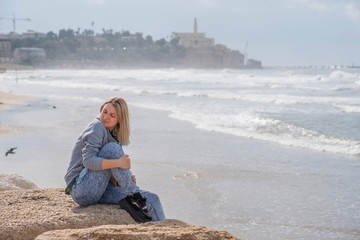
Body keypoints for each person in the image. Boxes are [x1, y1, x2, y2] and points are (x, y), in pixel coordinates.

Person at [64, 97, 165, 222]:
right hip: (81, 188)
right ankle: (134, 194)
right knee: (112, 149)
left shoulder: (115, 135)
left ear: (119, 120)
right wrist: (119, 163)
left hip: (100, 188)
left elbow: (107, 173)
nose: (106, 117)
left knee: (153, 199)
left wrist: (121, 180)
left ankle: (161, 230)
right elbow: (88, 161)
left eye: (112, 115)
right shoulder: (97, 127)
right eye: (104, 112)